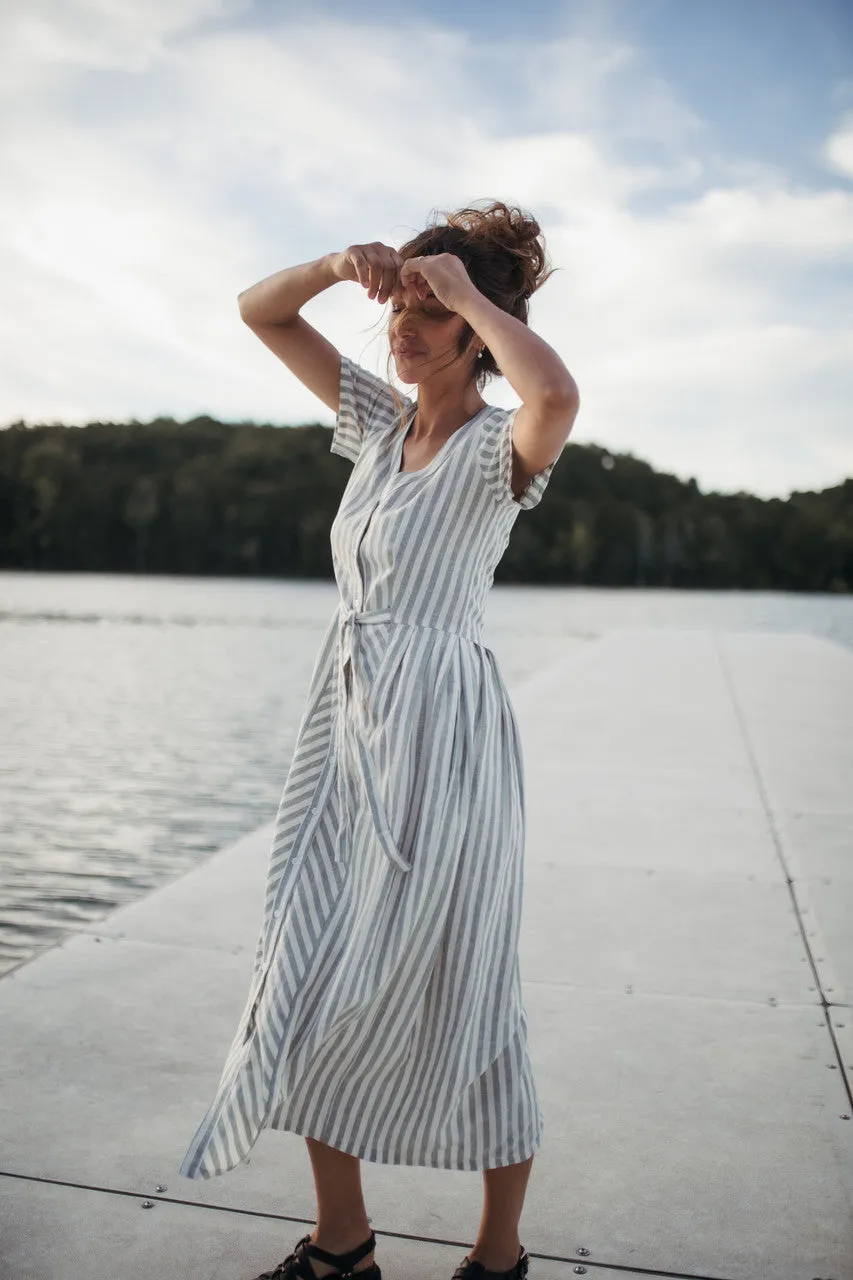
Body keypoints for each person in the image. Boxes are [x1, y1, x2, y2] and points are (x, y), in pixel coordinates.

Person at [178, 201, 580, 1280]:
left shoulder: (501, 445)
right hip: (347, 731)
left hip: (445, 736)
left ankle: (497, 1255)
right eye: (395, 311)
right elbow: (259, 315)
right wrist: (328, 262)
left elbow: (554, 392)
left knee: (466, 980)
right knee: (308, 964)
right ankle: (341, 1242)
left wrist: (467, 293)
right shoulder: (374, 422)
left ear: (471, 323)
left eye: (424, 314)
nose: (399, 332)